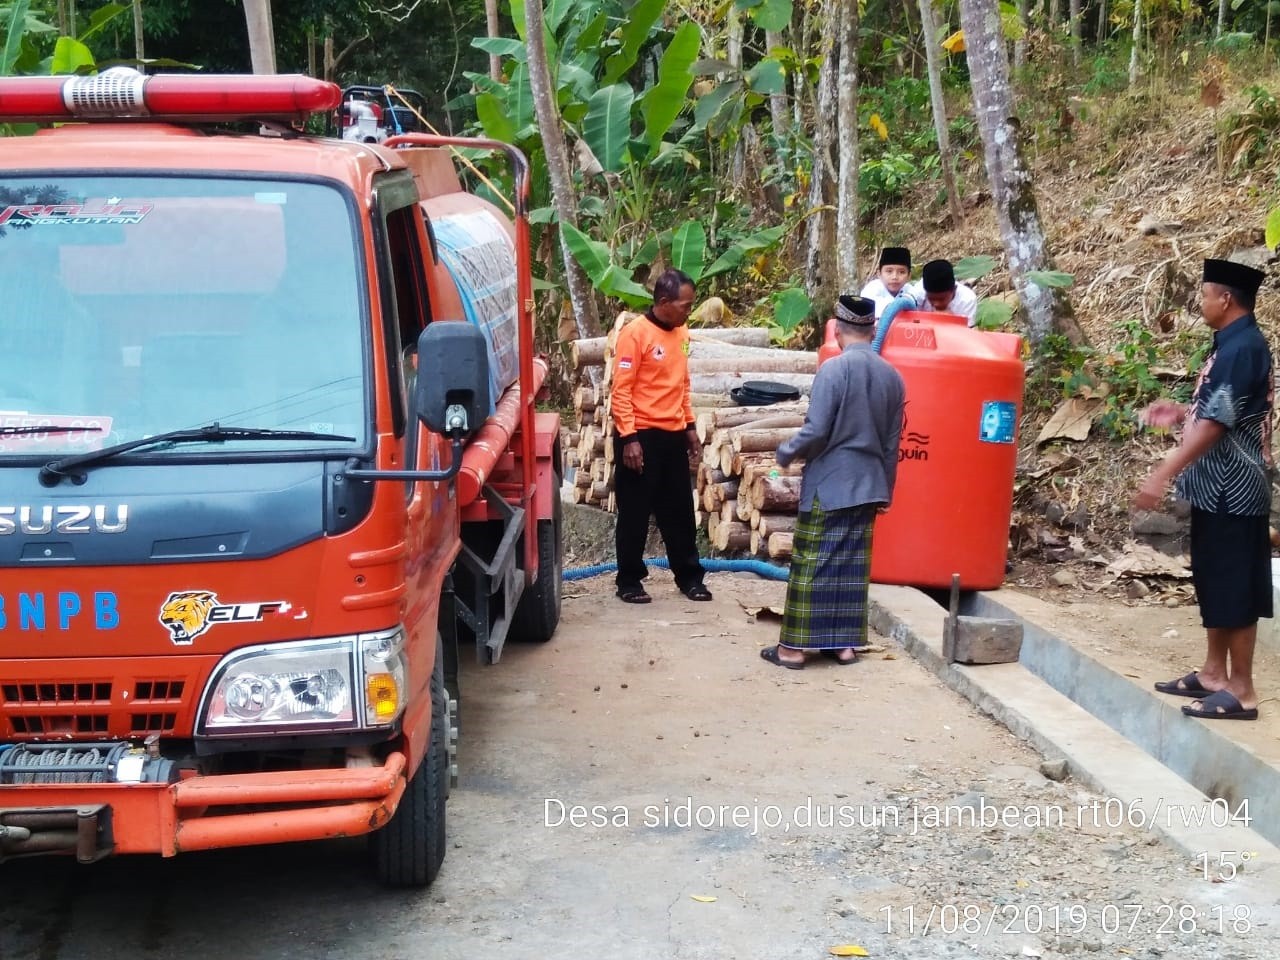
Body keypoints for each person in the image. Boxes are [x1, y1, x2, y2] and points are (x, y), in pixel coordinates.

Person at [1137, 258, 1272, 721]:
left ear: (1225, 299)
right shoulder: (1230, 345)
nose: (1200, 303)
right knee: (1215, 580)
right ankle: (1215, 673)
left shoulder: (1243, 348)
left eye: (1203, 295)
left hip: (1234, 490)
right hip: (1215, 488)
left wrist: (1162, 472)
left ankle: (1243, 691)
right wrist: (1180, 411)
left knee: (1235, 587)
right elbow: (1218, 410)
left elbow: (1217, 424)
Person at [761, 294, 906, 668]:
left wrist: (785, 452)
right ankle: (843, 646)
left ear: (838, 330)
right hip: (870, 484)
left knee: (812, 565)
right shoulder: (894, 377)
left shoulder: (833, 370)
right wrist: (886, 490)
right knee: (849, 569)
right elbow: (893, 445)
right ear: (873, 330)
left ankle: (792, 650)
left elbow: (817, 430)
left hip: (830, 483)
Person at [610, 268, 711, 604]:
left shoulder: (682, 332)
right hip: (640, 435)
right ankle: (629, 580)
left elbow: (682, 384)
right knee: (635, 512)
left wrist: (690, 427)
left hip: (672, 433)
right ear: (664, 301)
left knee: (679, 511)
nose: (688, 310)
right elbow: (621, 391)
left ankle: (690, 577)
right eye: (684, 305)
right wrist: (628, 438)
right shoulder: (634, 334)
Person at [904, 259, 979, 326]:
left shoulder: (967, 300)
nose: (936, 304)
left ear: (954, 289)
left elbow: (967, 333)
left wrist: (952, 320)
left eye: (941, 299)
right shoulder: (917, 293)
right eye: (931, 299)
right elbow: (907, 321)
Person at [859, 247, 912, 318]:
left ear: (909, 276)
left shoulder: (911, 291)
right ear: (879, 274)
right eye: (889, 271)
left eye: (901, 272)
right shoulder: (871, 289)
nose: (895, 277)